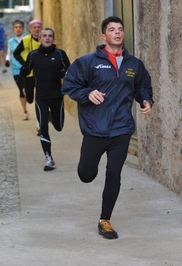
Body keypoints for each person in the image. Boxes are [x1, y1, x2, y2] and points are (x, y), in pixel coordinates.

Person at [62, 16, 153, 240]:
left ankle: (105, 219)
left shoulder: (134, 65)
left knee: (114, 174)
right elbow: (69, 84)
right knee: (86, 174)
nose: (117, 33)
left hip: (121, 130)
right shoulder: (88, 62)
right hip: (95, 129)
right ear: (104, 36)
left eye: (120, 29)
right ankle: (86, 169)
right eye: (112, 30)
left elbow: (142, 86)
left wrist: (146, 100)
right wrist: (86, 93)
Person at [20, 27, 70, 171]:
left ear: (53, 39)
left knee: (59, 127)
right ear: (40, 39)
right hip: (41, 97)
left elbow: (71, 71)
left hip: (57, 97)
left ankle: (50, 116)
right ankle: (49, 159)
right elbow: (26, 71)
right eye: (44, 36)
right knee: (43, 128)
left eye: (50, 36)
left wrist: (61, 73)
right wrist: (23, 73)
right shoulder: (33, 55)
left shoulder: (60, 54)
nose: (47, 38)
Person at [14, 19, 42, 135]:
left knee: (39, 99)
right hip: (29, 74)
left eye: (38, 27)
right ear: (30, 29)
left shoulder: (44, 39)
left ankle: (40, 124)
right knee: (29, 99)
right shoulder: (25, 40)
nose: (36, 29)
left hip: (41, 74)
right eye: (34, 27)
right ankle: (26, 91)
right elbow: (16, 53)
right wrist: (25, 64)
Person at [5, 20, 29, 120]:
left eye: (20, 27)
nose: (18, 29)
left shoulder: (28, 39)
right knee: (21, 89)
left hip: (28, 68)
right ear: (13, 29)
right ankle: (25, 110)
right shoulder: (10, 41)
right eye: (16, 27)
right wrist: (7, 60)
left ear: (23, 28)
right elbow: (9, 53)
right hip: (16, 69)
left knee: (28, 90)